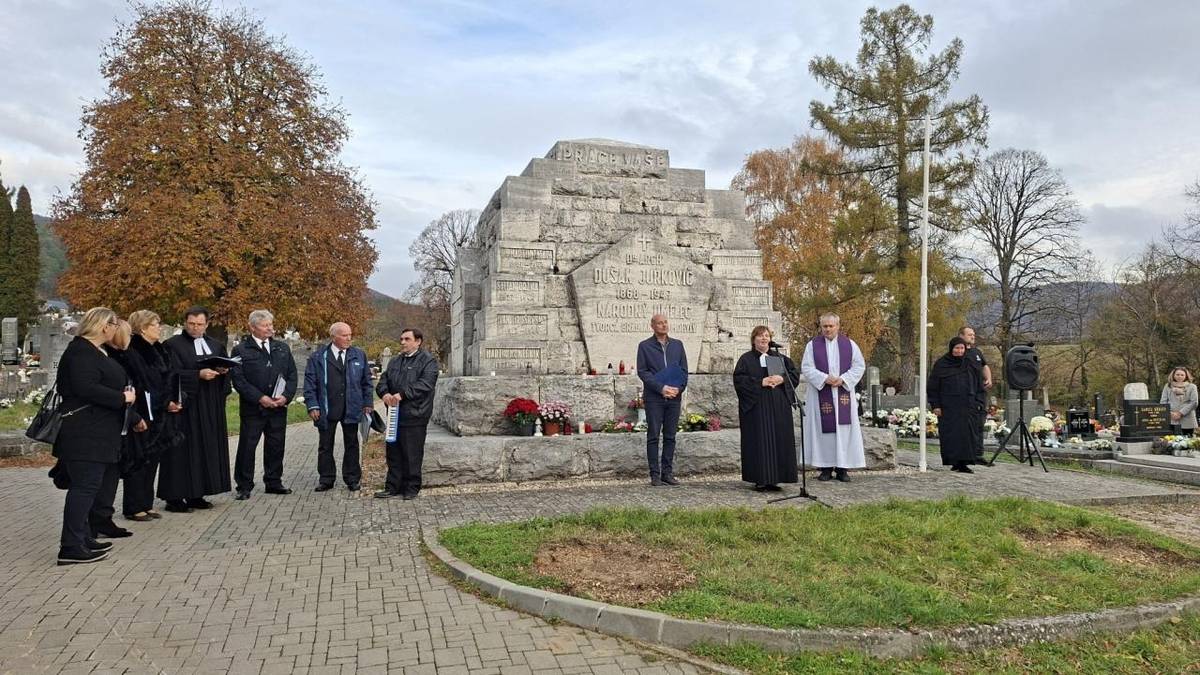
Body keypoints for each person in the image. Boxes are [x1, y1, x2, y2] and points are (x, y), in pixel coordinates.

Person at [52, 307, 136, 565]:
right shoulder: (80, 351)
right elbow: (85, 387)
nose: (115, 328)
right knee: (84, 488)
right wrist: (121, 397)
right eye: (114, 323)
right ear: (103, 326)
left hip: (99, 431)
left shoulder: (96, 351)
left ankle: (83, 537)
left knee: (91, 488)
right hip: (84, 432)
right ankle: (70, 546)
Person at [162, 306, 232, 511]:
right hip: (185, 406)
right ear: (185, 323)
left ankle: (197, 494)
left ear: (207, 324)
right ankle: (174, 497)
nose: (195, 328)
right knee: (181, 451)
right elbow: (169, 374)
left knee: (204, 449)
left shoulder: (215, 345)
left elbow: (226, 375)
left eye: (199, 324)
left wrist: (223, 370)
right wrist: (197, 375)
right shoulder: (171, 345)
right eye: (191, 323)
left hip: (209, 405)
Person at [116, 310, 183, 521]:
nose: (159, 327)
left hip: (161, 413)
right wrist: (162, 402)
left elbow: (170, 377)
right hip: (144, 412)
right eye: (156, 324)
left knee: (153, 459)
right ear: (143, 327)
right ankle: (134, 506)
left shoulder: (159, 349)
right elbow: (141, 383)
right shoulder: (134, 350)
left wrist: (174, 399)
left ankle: (146, 502)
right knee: (139, 459)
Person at [231, 309, 298, 500]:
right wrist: (260, 397)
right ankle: (244, 486)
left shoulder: (282, 348)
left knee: (276, 446)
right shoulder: (241, 350)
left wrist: (286, 396)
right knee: (247, 447)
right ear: (252, 327)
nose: (270, 328)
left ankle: (273, 481)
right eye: (265, 325)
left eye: (271, 324)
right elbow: (239, 380)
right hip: (254, 408)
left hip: (278, 408)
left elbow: (292, 375)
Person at [304, 322, 374, 492]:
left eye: (350, 335)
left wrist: (367, 403)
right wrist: (312, 405)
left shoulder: (359, 355)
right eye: (344, 335)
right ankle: (326, 479)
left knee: (352, 444)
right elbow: (310, 383)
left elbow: (367, 382)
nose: (349, 338)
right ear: (333, 337)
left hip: (352, 407)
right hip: (327, 408)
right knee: (325, 445)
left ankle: (352, 478)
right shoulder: (319, 357)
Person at [800, 313, 866, 482]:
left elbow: (859, 366)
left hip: (843, 393)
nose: (828, 329)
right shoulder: (812, 346)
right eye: (825, 326)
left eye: (831, 326)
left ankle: (843, 469)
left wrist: (843, 379)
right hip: (821, 393)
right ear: (821, 327)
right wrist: (824, 378)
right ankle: (825, 468)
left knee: (844, 431)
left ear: (838, 326)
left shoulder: (850, 345)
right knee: (824, 432)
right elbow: (807, 368)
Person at [733, 326, 799, 491]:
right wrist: (759, 382)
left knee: (778, 440)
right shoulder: (746, 359)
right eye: (760, 336)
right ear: (753, 339)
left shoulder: (779, 357)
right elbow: (739, 381)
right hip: (757, 409)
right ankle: (760, 479)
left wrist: (782, 379)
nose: (763, 338)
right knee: (760, 442)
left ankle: (776, 479)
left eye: (766, 335)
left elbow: (794, 376)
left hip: (779, 408)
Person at [375, 328, 438, 500]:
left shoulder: (428, 361)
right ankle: (392, 486)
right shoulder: (395, 361)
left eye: (407, 339)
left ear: (418, 341)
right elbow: (383, 381)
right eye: (401, 339)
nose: (402, 342)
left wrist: (402, 394)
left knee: (412, 453)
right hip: (394, 414)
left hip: (415, 415)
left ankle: (411, 487)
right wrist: (385, 394)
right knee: (393, 452)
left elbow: (425, 384)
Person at [635, 314, 688, 486]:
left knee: (670, 436)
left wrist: (678, 389)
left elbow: (684, 371)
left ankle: (667, 473)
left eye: (665, 322)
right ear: (652, 326)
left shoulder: (678, 345)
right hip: (654, 398)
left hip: (674, 397)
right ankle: (655, 475)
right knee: (653, 436)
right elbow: (643, 372)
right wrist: (661, 388)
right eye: (659, 323)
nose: (663, 325)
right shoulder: (644, 346)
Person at [928, 337, 983, 473]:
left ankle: (964, 462)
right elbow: (933, 386)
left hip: (968, 405)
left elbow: (978, 383)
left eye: (962, 348)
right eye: (957, 348)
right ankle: (954, 462)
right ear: (951, 348)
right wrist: (936, 405)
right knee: (952, 435)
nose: (959, 351)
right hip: (949, 407)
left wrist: (979, 401)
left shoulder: (970, 363)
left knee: (967, 435)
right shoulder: (942, 364)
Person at [958, 326, 992, 464]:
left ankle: (978, 455)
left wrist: (988, 378)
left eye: (974, 334)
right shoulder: (958, 352)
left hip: (979, 394)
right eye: (969, 334)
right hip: (965, 395)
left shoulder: (977, 352)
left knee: (979, 424)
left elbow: (984, 366)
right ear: (961, 336)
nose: (973, 336)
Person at [1160, 367, 1198, 436]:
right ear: (1173, 375)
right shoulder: (1167, 386)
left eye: (1182, 375)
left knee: (1188, 441)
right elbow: (1163, 402)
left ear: (1186, 376)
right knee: (1171, 441)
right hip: (1171, 418)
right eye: (1177, 374)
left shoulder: (1192, 387)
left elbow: (1194, 402)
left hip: (1187, 418)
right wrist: (1171, 414)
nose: (1179, 376)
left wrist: (1180, 413)